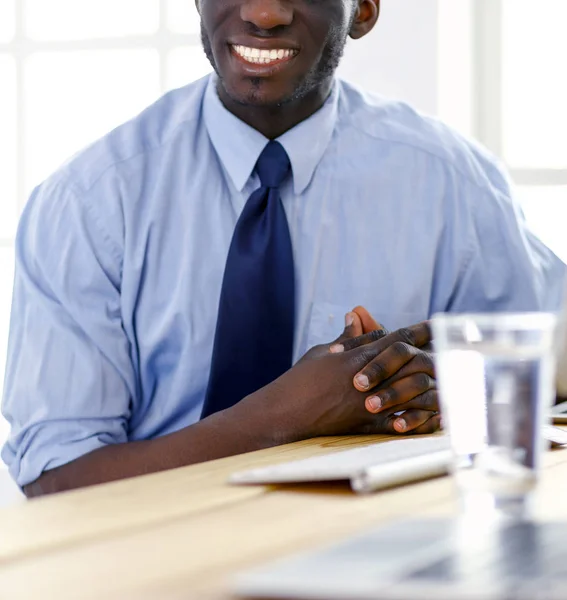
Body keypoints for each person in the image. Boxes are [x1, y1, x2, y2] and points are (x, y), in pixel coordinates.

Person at [2, 0, 563, 497]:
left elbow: (547, 360)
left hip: (374, 551)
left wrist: (429, 390)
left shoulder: (450, 181)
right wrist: (286, 415)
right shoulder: (90, 201)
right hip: (146, 563)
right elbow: (58, 479)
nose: (264, 12)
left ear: (363, 10)